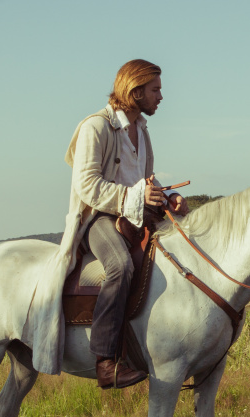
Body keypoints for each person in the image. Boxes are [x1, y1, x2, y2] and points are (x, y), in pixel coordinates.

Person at [65, 59, 188, 389]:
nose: (161, 97)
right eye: (155, 90)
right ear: (135, 92)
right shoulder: (96, 127)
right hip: (100, 219)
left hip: (136, 217)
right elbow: (86, 185)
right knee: (120, 266)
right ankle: (105, 361)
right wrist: (136, 197)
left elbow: (145, 180)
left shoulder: (142, 131)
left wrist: (168, 197)